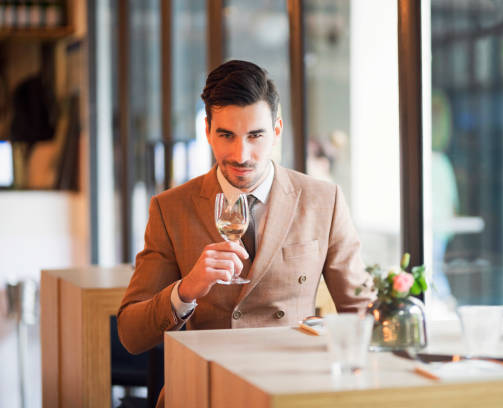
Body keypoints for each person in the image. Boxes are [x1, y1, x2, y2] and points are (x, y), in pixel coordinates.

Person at [117, 60, 374, 407]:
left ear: (277, 130)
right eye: (226, 135)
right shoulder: (170, 208)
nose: (241, 155)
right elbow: (131, 335)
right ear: (207, 130)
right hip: (202, 390)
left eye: (255, 136)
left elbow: (362, 311)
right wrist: (186, 289)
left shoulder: (323, 201)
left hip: (293, 390)